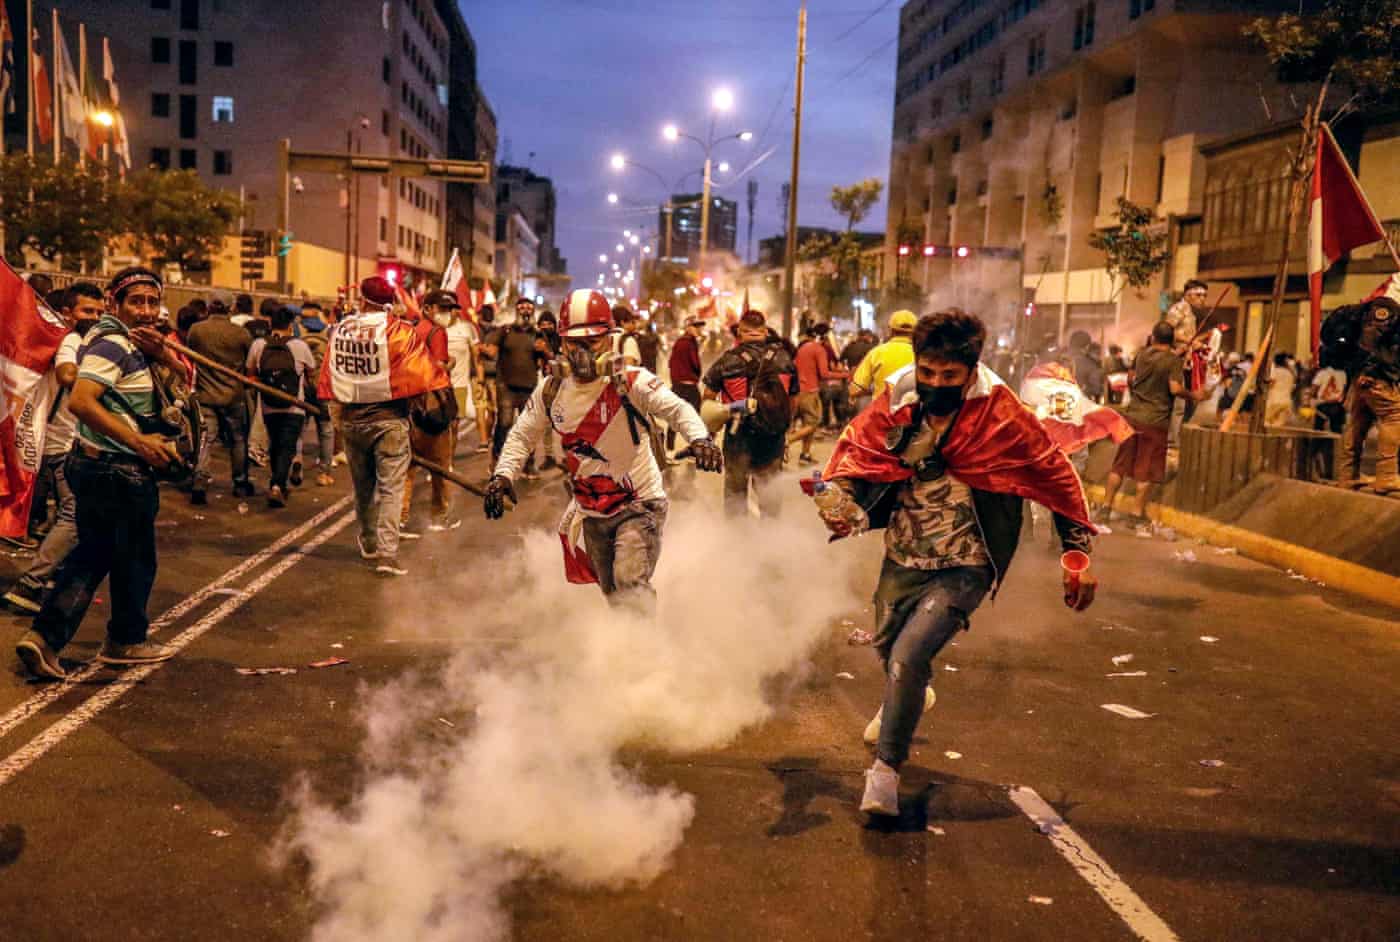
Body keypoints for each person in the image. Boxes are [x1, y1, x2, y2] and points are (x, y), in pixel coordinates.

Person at [812, 310, 1097, 817]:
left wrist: (1076, 553)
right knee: (887, 649)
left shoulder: (1001, 414)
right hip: (903, 553)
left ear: (970, 371)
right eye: (928, 373)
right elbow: (859, 452)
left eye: (949, 376)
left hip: (968, 559)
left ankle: (884, 773)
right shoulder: (900, 398)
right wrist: (843, 499)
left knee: (907, 655)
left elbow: (1054, 475)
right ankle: (912, 694)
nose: (935, 384)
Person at [483, 289, 722, 607]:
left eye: (591, 341)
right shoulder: (551, 389)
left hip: (640, 505)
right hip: (591, 510)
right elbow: (522, 435)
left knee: (630, 584)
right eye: (573, 342)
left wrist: (700, 438)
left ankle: (641, 654)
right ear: (562, 342)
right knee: (612, 592)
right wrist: (503, 475)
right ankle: (624, 646)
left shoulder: (632, 380)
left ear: (609, 339)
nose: (581, 352)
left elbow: (677, 409)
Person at [14, 268, 188, 680]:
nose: (146, 311)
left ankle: (44, 639)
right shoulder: (111, 345)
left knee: (95, 555)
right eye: (136, 302)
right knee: (134, 561)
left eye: (152, 301)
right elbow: (81, 401)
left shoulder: (136, 345)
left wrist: (164, 357)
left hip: (104, 467)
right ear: (115, 304)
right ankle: (124, 640)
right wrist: (140, 443)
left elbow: (182, 385)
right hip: (115, 470)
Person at [318, 276, 449, 576]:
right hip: (389, 421)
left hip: (352, 421)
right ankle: (387, 555)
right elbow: (422, 376)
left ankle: (369, 542)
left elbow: (331, 373)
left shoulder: (341, 330)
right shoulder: (400, 331)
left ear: (362, 299)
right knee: (391, 489)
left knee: (363, 488)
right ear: (390, 301)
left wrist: (337, 416)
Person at [3, 283, 104, 613]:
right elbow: (66, 375)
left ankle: (50, 579)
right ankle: (31, 583)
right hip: (63, 445)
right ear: (67, 314)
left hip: (59, 444)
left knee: (74, 515)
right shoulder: (71, 341)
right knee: (75, 514)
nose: (95, 317)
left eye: (101, 312)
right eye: (88, 311)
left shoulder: (78, 341)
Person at [1100, 321, 1208, 529]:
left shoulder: (1141, 355)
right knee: (1146, 469)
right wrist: (1194, 395)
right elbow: (1175, 388)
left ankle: (1106, 507)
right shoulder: (1172, 361)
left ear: (1154, 337)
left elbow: (1131, 379)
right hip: (1156, 421)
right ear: (1172, 339)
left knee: (1120, 464)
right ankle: (1136, 513)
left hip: (1131, 417)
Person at [702, 309, 796, 518]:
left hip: (739, 434)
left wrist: (713, 428)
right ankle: (771, 539)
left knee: (735, 491)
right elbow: (792, 399)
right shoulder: (784, 358)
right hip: (773, 436)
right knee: (769, 492)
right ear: (764, 331)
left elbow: (708, 396)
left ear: (741, 332)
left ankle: (738, 541)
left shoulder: (728, 360)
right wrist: (783, 427)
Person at [186, 289, 254, 502]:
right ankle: (240, 483)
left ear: (208, 307)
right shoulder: (241, 334)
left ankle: (199, 481)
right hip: (234, 396)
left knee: (206, 439)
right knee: (238, 440)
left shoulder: (196, 330)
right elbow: (249, 361)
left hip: (206, 395)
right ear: (231, 307)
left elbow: (191, 353)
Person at [246, 306, 317, 508]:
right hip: (295, 406)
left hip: (268, 405)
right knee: (287, 447)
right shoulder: (300, 346)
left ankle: (279, 483)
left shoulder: (259, 344)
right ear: (290, 325)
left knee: (276, 445)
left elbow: (250, 371)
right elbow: (311, 372)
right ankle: (277, 485)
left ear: (270, 324)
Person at [402, 291, 460, 533]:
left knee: (406, 469)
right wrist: (450, 363)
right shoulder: (437, 333)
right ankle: (438, 516)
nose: (447, 313)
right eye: (442, 308)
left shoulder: (412, 331)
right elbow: (437, 368)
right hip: (432, 408)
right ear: (427, 308)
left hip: (409, 406)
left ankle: (400, 518)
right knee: (439, 466)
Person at [1338, 306, 1400, 493]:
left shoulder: (1380, 311)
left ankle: (1348, 476)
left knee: (1358, 424)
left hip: (1363, 377)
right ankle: (1387, 476)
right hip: (1376, 377)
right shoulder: (1387, 312)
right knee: (1394, 416)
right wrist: (1370, 371)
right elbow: (1375, 344)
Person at [482, 297, 540, 470]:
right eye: (522, 307)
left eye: (529, 308)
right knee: (505, 423)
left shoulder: (536, 334)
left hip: (529, 387)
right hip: (506, 386)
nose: (525, 310)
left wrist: (545, 351)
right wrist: (487, 350)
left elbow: (549, 356)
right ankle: (496, 458)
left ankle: (529, 463)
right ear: (516, 310)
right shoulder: (505, 331)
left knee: (528, 427)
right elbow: (488, 346)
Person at [790, 323, 847, 465]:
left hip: (798, 390)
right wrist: (845, 375)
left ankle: (805, 455)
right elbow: (824, 373)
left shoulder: (803, 347)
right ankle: (788, 441)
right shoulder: (819, 349)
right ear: (826, 336)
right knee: (814, 423)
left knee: (807, 423)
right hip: (810, 391)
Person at [299, 301, 336, 486]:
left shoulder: (299, 334)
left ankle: (296, 462)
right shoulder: (330, 334)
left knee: (300, 428)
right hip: (323, 388)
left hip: (303, 388)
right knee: (326, 429)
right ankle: (324, 473)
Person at [849, 311, 917, 405]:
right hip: (913, 415)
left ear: (891, 331)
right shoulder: (922, 354)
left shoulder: (876, 353)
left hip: (882, 414)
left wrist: (878, 391)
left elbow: (855, 389)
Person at [443, 296, 480, 450]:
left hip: (460, 384)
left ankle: (449, 460)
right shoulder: (437, 328)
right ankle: (441, 458)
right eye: (447, 308)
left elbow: (476, 357)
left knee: (455, 423)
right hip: (440, 385)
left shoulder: (467, 328)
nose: (451, 311)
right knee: (441, 424)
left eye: (454, 308)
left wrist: (479, 379)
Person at [666, 316, 705, 451]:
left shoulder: (684, 342)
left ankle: (670, 450)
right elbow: (695, 364)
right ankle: (693, 449)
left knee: (675, 417)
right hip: (687, 386)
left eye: (699, 326)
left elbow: (671, 363)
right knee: (695, 419)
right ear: (688, 328)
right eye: (696, 326)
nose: (699, 329)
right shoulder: (687, 343)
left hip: (679, 385)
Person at [473, 303, 497, 453]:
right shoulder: (474, 330)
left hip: (494, 375)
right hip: (478, 375)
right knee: (481, 408)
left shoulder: (496, 331)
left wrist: (482, 348)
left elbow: (493, 352)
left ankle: (487, 436)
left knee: (493, 410)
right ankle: (483, 440)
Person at [1309, 357, 1348, 435]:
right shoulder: (1343, 374)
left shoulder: (1322, 373)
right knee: (1336, 430)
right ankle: (1335, 446)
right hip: (1337, 405)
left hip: (1322, 405)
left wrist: (1310, 400)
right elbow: (1344, 390)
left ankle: (1319, 445)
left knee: (1318, 430)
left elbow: (1314, 389)